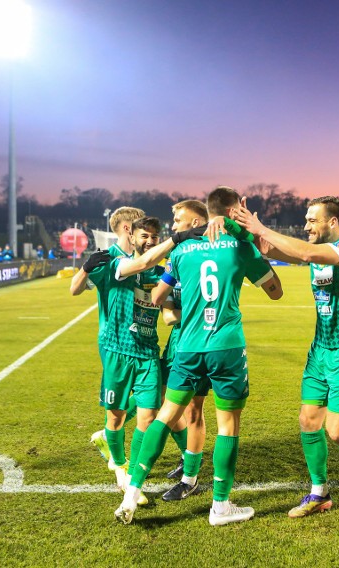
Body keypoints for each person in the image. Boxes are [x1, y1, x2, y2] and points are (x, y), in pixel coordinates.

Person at [115, 186, 283, 526]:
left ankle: (131, 493)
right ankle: (220, 506)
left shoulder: (181, 251)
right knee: (228, 426)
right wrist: (253, 245)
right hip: (226, 348)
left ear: (204, 213)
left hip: (188, 347)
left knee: (164, 416)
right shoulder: (240, 246)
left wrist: (178, 301)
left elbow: (159, 294)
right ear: (235, 211)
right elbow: (275, 291)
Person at [234, 195, 339, 519]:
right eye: (305, 220)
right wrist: (246, 232)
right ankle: (319, 493)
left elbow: (304, 251)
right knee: (308, 420)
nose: (306, 225)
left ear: (332, 222)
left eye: (311, 220)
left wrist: (260, 225)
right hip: (321, 347)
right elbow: (272, 250)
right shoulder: (316, 253)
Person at [71, 207, 146, 466]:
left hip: (144, 340)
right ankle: (120, 462)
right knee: (120, 405)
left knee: (155, 397)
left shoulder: (145, 256)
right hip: (115, 341)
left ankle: (107, 434)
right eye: (140, 224)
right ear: (128, 228)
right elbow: (75, 289)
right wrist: (85, 268)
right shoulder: (107, 258)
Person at [154, 199, 211, 500]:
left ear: (194, 221)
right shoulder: (176, 254)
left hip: (199, 341)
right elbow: (165, 301)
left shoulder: (212, 253)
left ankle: (190, 476)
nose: (173, 225)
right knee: (166, 401)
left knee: (192, 409)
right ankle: (187, 457)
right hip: (176, 340)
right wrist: (168, 309)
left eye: (178, 220)